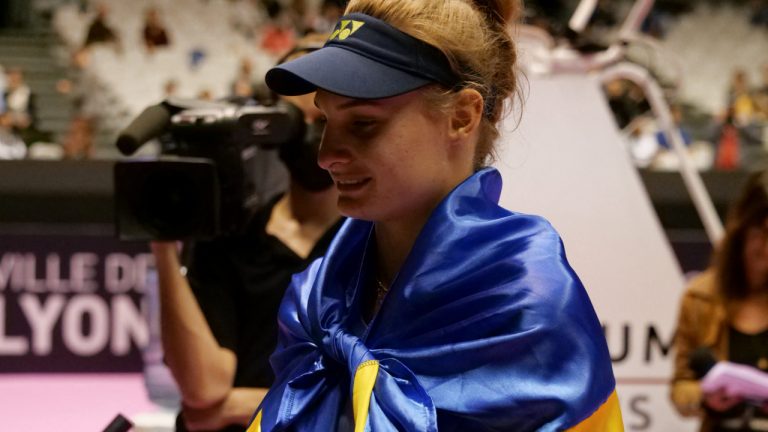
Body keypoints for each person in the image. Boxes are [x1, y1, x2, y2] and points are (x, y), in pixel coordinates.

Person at [248, 0, 622, 430]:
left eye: (364, 124)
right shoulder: (315, 298)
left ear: (462, 116)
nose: (326, 155)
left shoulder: (528, 306)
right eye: (327, 121)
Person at [151, 39, 343, 431]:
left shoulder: (376, 243)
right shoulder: (234, 238)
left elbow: (378, 392)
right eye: (295, 122)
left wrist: (242, 403)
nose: (309, 140)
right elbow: (204, 391)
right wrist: (161, 247)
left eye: (321, 122)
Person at [671, 170, 768, 432]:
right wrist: (705, 395)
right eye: (761, 235)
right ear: (742, 230)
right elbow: (680, 387)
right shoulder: (700, 296)